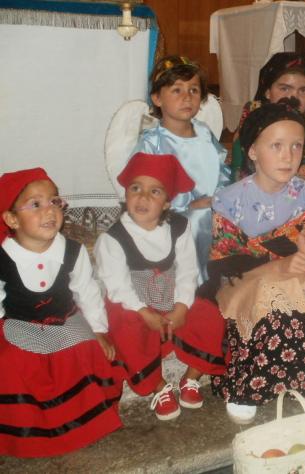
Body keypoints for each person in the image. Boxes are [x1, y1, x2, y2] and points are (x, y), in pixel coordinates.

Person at [201, 98, 305, 425]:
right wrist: (283, 263)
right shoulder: (229, 200)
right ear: (252, 151)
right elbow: (225, 266)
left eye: (296, 146)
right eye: (276, 145)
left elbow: (302, 249)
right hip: (243, 282)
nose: (288, 156)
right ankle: (248, 387)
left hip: (291, 271)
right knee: (270, 292)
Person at [94, 153, 227, 421]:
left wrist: (181, 306)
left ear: (167, 202)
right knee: (126, 328)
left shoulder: (178, 227)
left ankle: (191, 377)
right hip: (134, 303)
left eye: (154, 191)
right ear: (126, 194)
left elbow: (187, 271)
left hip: (170, 296)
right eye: (135, 188)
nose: (143, 197)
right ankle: (158, 386)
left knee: (211, 315)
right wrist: (144, 312)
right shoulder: (113, 238)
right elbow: (117, 286)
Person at [0, 168, 121, 457]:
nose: (49, 210)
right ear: (12, 219)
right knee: (11, 363)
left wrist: (99, 330)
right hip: (20, 323)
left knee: (86, 350)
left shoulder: (72, 251)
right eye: (36, 204)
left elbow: (87, 290)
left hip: (65, 318)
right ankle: (30, 431)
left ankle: (84, 422)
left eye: (54, 201)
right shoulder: (4, 257)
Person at [132, 55, 229, 280]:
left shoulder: (204, 133)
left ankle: (220, 276)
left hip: (213, 207)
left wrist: (222, 197)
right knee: (197, 219)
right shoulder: (152, 142)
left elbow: (222, 170)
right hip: (171, 216)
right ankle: (195, 282)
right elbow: (144, 190)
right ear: (157, 98)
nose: (187, 97)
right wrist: (189, 204)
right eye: (177, 90)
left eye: (194, 90)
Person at [229, 52, 305, 181]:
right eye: (285, 89)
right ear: (267, 92)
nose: (294, 97)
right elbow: (239, 171)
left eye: (303, 90)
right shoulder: (254, 117)